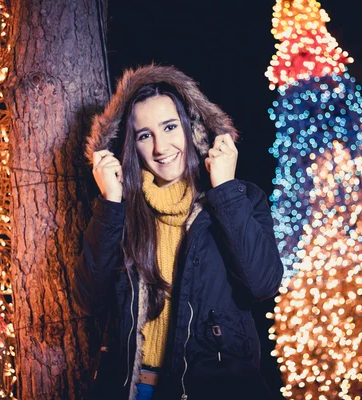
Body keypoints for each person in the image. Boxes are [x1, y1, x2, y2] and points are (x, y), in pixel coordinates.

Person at [74, 65, 284, 400]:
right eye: (145, 135)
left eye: (170, 127)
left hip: (214, 389)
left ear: (192, 128)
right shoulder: (122, 210)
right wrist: (110, 204)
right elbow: (89, 301)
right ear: (132, 145)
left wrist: (225, 189)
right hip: (134, 389)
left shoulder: (238, 198)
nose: (160, 147)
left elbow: (262, 283)